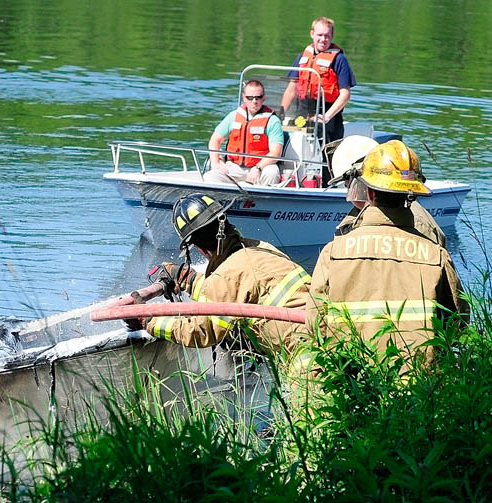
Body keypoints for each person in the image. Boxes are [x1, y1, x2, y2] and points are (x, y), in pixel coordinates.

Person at [306, 140, 467, 361]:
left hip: (353, 381)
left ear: (369, 193)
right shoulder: (436, 256)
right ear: (413, 193)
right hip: (418, 385)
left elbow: (316, 323)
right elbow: (458, 324)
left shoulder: (333, 252)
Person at [129, 193, 311, 354]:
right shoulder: (260, 247)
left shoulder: (226, 274)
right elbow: (232, 289)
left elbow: (201, 331)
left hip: (305, 355)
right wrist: (186, 278)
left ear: (199, 248)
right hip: (326, 333)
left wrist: (149, 322)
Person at [328, 135, 446, 247]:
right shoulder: (362, 214)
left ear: (363, 183)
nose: (349, 195)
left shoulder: (418, 224)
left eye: (348, 185)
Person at [281, 17, 356, 143]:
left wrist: (326, 117)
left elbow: (346, 94)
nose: (323, 39)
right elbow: (291, 90)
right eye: (319, 35)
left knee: (324, 148)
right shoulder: (302, 57)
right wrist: (280, 113)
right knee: (298, 143)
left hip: (327, 115)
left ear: (332, 36)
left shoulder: (339, 59)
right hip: (303, 112)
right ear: (312, 34)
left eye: (327, 36)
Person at [204, 80, 284, 186]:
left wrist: (257, 168)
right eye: (249, 98)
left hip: (262, 166)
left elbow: (275, 153)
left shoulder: (272, 121)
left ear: (263, 98)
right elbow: (215, 140)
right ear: (244, 98)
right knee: (210, 176)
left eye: (258, 97)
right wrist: (216, 163)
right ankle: (224, 199)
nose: (254, 101)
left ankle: (263, 200)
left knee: (272, 173)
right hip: (235, 167)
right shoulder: (234, 116)